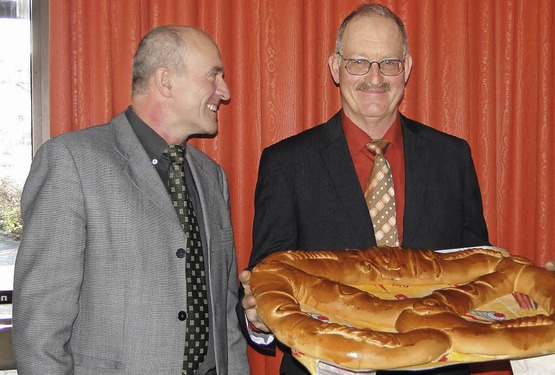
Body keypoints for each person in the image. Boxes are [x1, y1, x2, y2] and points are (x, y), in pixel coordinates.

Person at [238, 4, 488, 375]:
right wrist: (260, 317)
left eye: (388, 62)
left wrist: (523, 299)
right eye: (358, 62)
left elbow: (476, 271)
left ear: (407, 68)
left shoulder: (452, 157)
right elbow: (271, 281)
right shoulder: (286, 163)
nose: (375, 77)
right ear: (335, 68)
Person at [13, 25, 249, 375]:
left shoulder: (211, 176)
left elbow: (225, 311)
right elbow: (40, 328)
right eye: (213, 76)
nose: (224, 92)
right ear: (166, 81)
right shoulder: (71, 162)